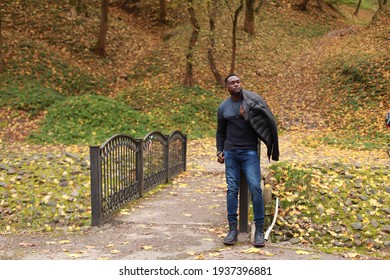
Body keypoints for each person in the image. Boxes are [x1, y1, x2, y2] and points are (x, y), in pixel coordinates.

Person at [216, 73, 279, 247]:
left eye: (238, 82)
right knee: (231, 190)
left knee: (255, 189)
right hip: (231, 153)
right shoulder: (223, 107)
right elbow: (220, 132)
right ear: (227, 87)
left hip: (249, 152)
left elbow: (265, 120)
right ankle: (232, 229)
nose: (236, 85)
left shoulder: (251, 102)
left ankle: (259, 230)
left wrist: (248, 116)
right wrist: (219, 151)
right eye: (232, 83)